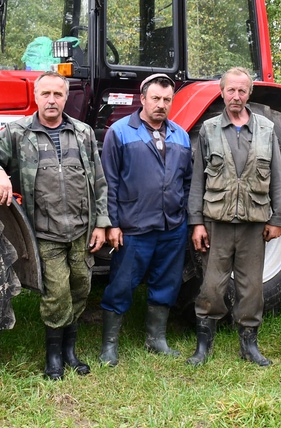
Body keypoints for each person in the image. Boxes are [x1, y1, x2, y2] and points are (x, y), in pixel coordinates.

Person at [0, 71, 110, 380]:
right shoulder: (18, 132)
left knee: (80, 287)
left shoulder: (83, 132)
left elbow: (99, 181)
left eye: (58, 94)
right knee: (57, 292)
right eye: (45, 94)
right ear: (36, 96)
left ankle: (70, 351)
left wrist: (101, 223)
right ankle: (53, 357)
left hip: (81, 231)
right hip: (45, 231)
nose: (52, 100)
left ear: (65, 97)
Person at [186, 67, 281, 367]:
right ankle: (204, 346)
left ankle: (249, 346)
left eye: (242, 91)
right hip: (217, 223)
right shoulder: (209, 129)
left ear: (249, 94)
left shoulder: (267, 130)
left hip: (254, 225)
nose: (236, 96)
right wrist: (196, 223)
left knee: (252, 287)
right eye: (231, 90)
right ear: (222, 92)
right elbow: (197, 181)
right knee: (211, 287)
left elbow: (278, 180)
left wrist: (277, 219)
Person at [99, 73, 192, 366]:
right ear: (142, 99)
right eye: (156, 98)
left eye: (167, 99)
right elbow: (109, 181)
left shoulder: (181, 135)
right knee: (122, 284)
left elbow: (187, 182)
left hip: (172, 226)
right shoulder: (120, 132)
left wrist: (185, 219)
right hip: (133, 227)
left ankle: (156, 339)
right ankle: (110, 344)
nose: (161, 105)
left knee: (167, 282)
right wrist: (112, 223)